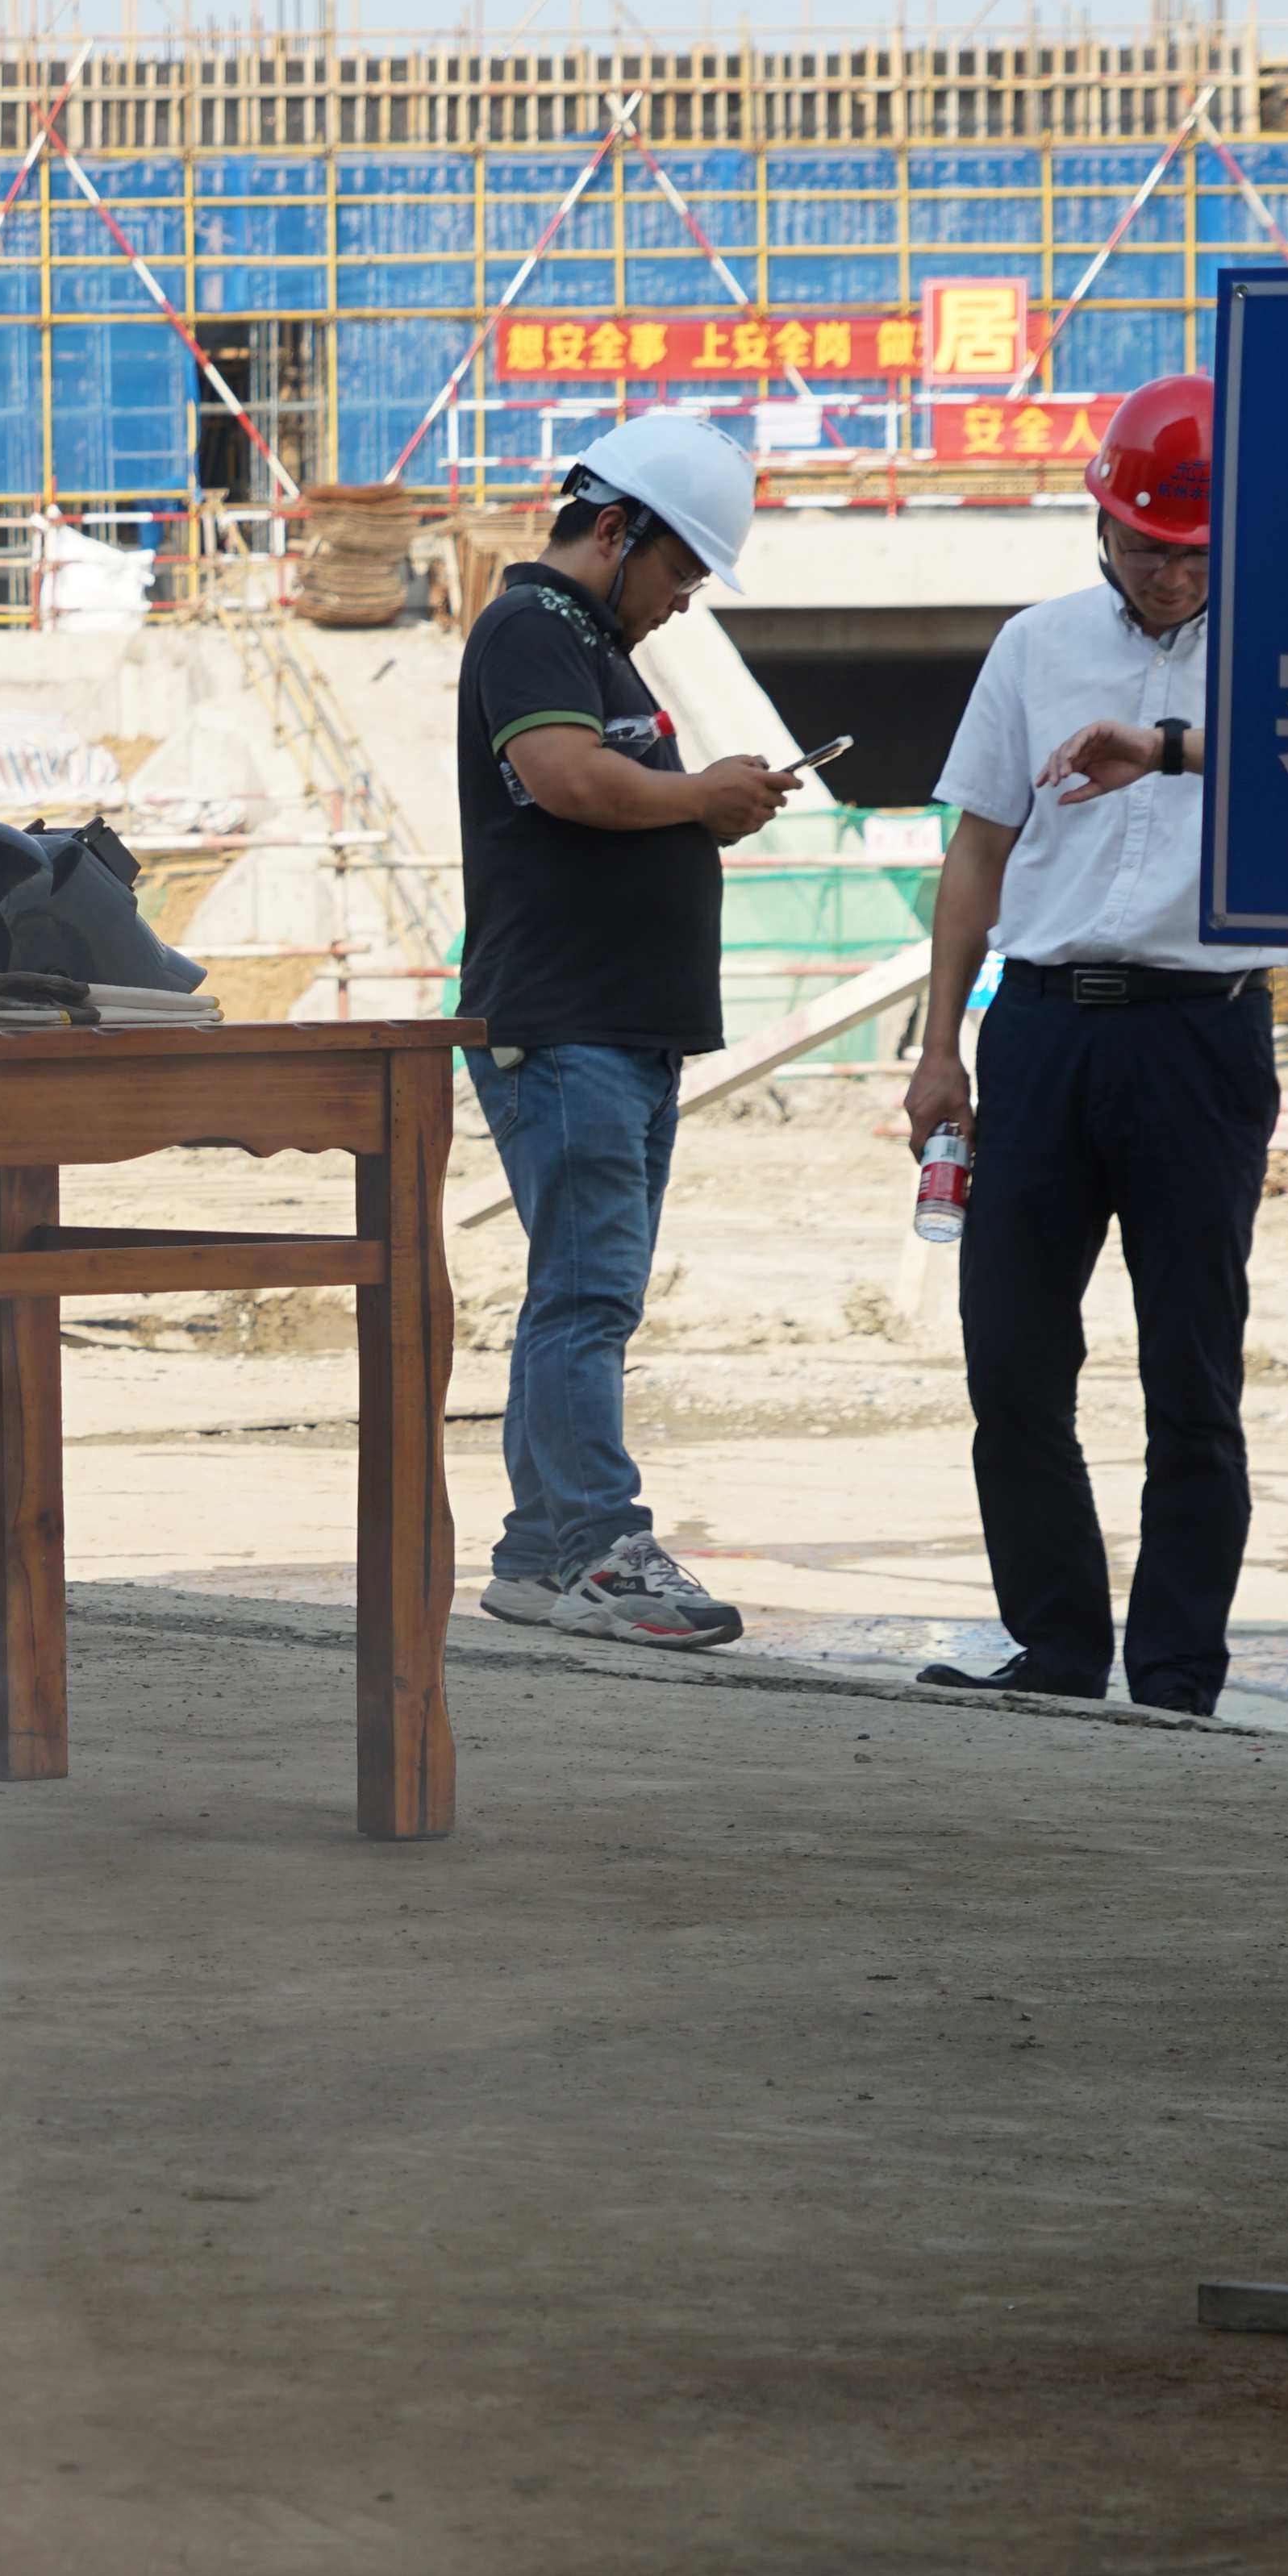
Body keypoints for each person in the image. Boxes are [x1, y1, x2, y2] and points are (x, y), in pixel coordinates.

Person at [897, 376, 1279, 1719]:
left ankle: (1175, 1677)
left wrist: (1172, 747)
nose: (1170, 575)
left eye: (1197, 554)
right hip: (1044, 1030)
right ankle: (1057, 1646)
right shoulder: (1034, 646)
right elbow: (978, 850)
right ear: (1099, 522)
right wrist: (940, 1045)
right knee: (1010, 1355)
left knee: (1192, 1369)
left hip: (1202, 1038)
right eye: (1147, 545)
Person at [453, 409, 788, 1648]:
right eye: (679, 574)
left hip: (618, 1027)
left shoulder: (589, 642)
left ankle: (540, 1556)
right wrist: (700, 796)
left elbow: (611, 783)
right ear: (614, 531)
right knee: (587, 1293)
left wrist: (699, 802)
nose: (681, 604)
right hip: (570, 1020)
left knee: (582, 1293)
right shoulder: (534, 628)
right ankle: (601, 1546)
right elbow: (567, 778)